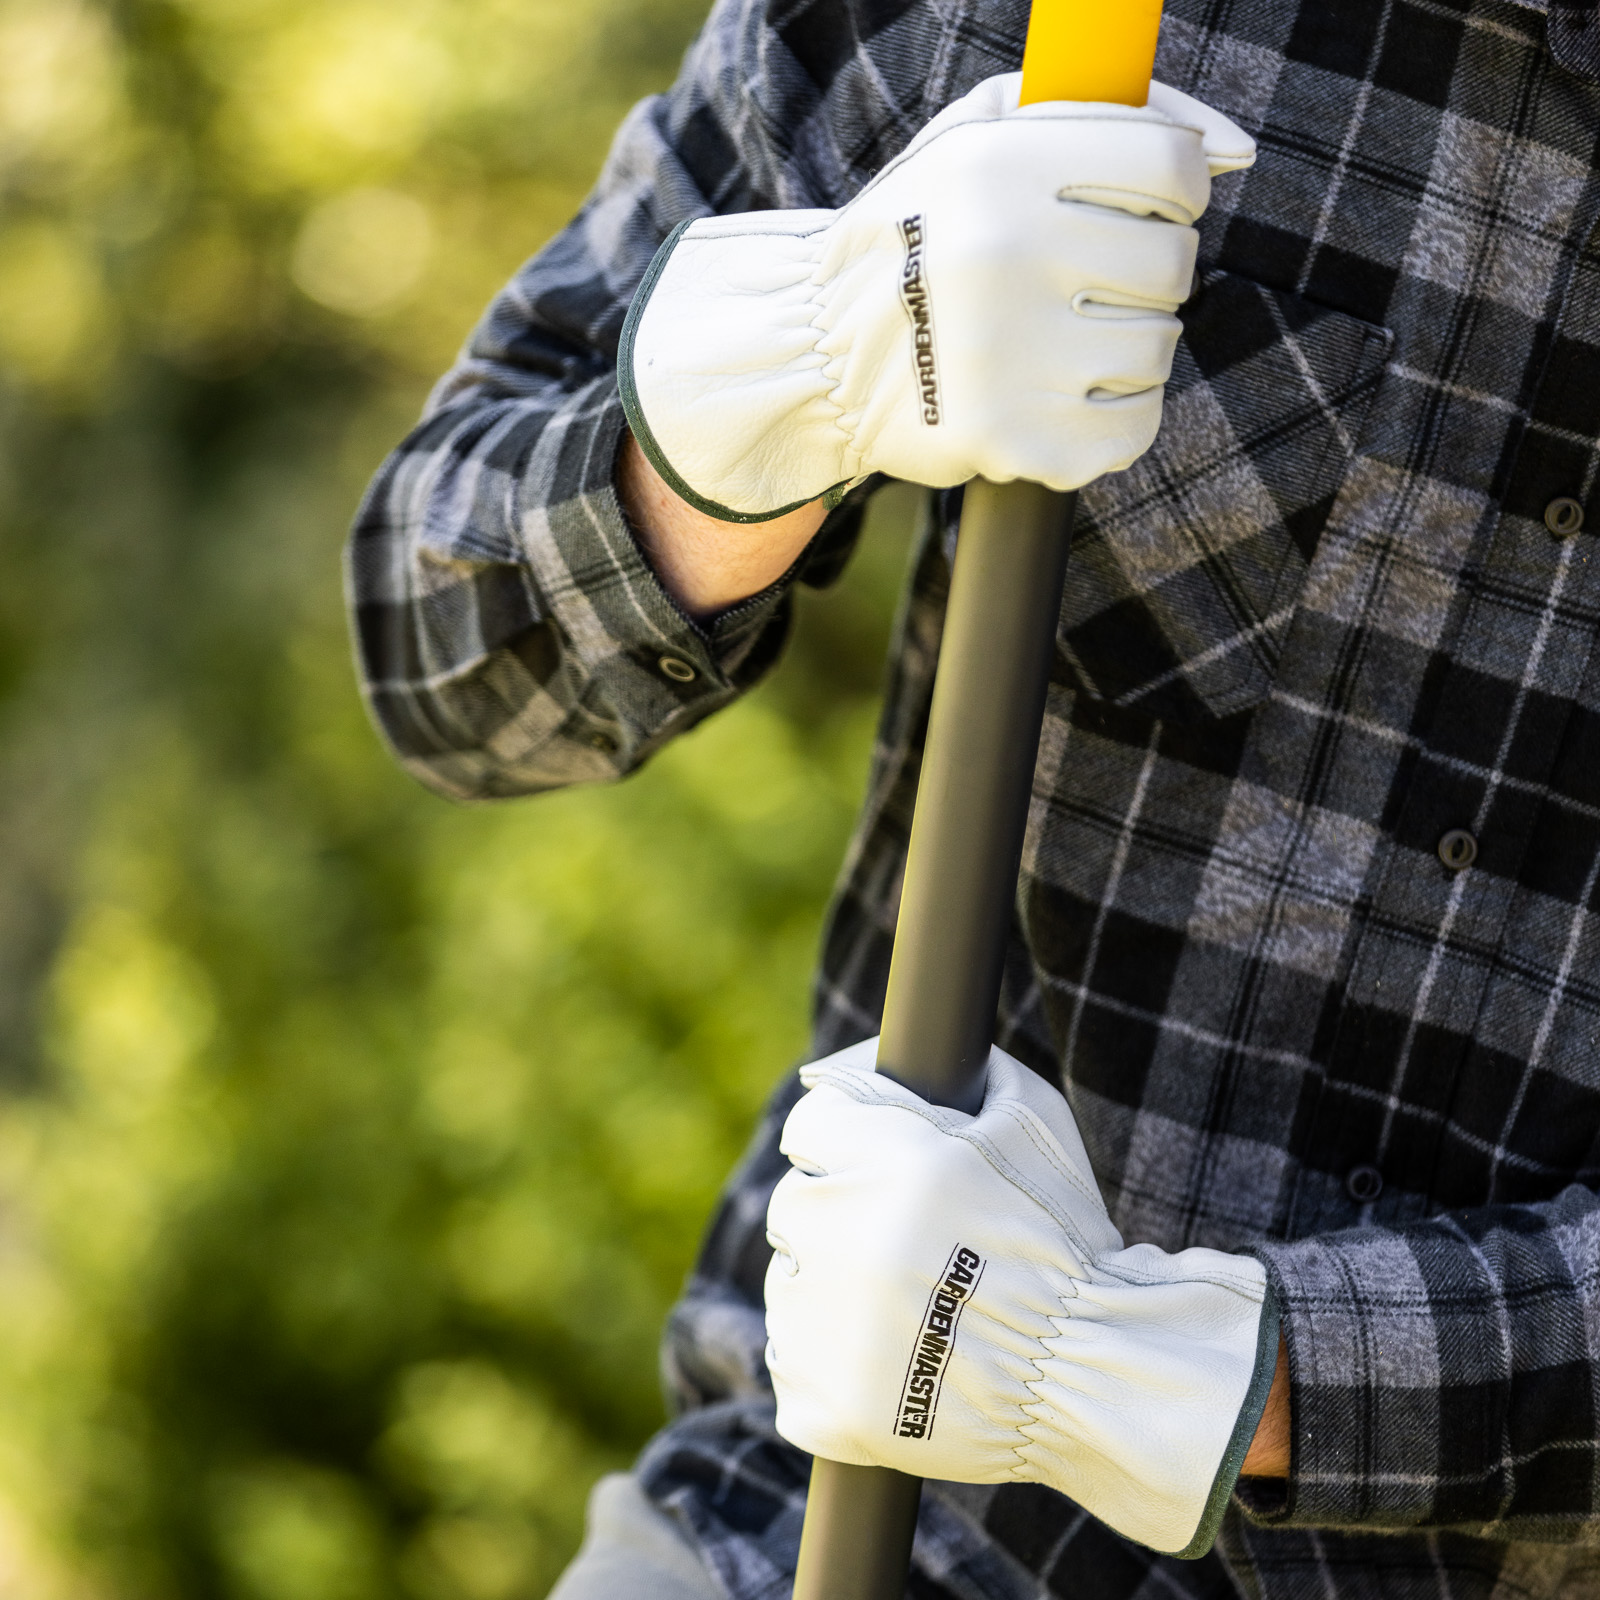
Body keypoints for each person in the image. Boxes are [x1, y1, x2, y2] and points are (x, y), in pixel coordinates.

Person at [344, 0, 1600, 1595]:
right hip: (823, 1535)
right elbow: (440, 653)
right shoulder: (1023, 20)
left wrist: (1204, 1377)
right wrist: (788, 385)